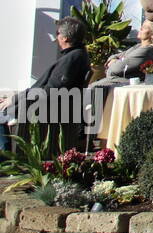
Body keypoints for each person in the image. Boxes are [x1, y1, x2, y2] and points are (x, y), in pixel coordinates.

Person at [0, 17, 91, 150]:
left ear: (65, 38)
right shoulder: (76, 55)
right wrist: (15, 98)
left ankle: (5, 157)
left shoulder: (72, 58)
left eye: (58, 33)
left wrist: (15, 100)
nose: (56, 36)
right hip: (41, 104)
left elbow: (49, 91)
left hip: (42, 109)